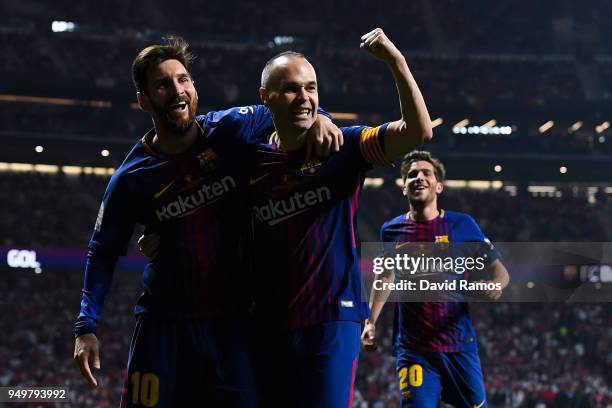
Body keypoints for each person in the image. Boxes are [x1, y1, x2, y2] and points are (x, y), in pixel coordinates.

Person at [72, 37, 341, 407]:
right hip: (164, 327)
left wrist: (323, 119)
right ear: (144, 100)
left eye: (183, 79)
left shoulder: (232, 129)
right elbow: (101, 252)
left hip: (233, 326)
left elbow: (292, 105)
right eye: (163, 84)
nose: (177, 90)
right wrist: (86, 326)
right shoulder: (132, 178)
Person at [247, 28, 432, 407]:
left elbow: (418, 132)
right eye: (292, 89)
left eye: (311, 88)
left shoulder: (345, 147)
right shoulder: (246, 161)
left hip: (333, 319)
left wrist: (396, 61)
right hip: (267, 321)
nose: (304, 97)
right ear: (266, 98)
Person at [361, 151, 510, 408]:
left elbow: (501, 272)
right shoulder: (391, 230)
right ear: (403, 188)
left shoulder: (462, 225)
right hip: (414, 349)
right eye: (411, 175)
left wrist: (495, 285)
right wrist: (370, 321)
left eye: (426, 173)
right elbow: (385, 275)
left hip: (458, 345)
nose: (419, 177)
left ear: (438, 186)